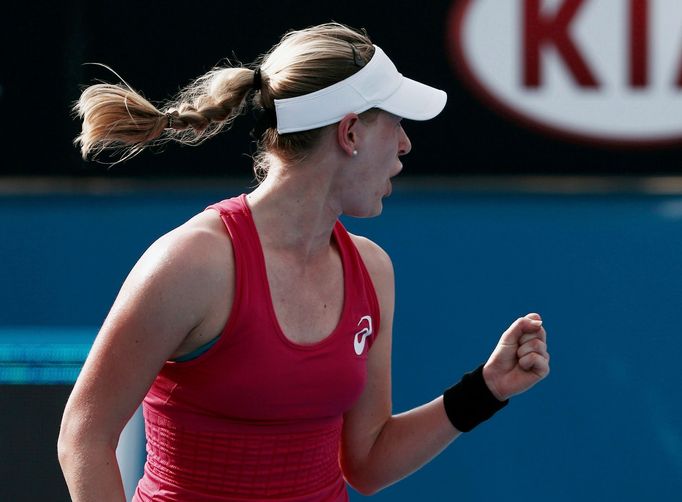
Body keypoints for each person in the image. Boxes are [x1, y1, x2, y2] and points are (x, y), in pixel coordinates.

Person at [58, 22, 550, 502]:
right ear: (351, 133)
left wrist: (485, 390)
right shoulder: (194, 263)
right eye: (396, 123)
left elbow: (368, 461)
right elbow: (84, 434)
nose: (405, 145)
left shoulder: (372, 269)